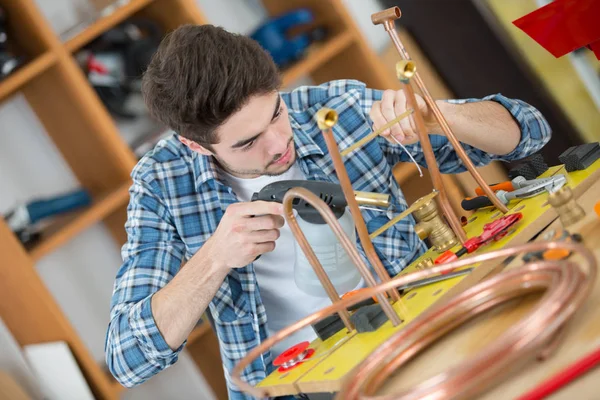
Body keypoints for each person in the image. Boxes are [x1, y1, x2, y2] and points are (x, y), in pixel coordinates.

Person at [105, 24, 551, 400]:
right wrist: (213, 259)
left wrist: (435, 119)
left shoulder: (333, 109)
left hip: (422, 338)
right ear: (193, 143)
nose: (279, 144)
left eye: (275, 114)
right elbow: (127, 360)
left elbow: (530, 131)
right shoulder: (162, 182)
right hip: (302, 387)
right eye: (246, 143)